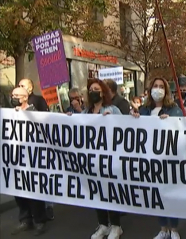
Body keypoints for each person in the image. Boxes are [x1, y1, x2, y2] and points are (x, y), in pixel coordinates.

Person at [68, 79, 122, 239]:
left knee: (111, 192)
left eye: (96, 89)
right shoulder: (86, 113)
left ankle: (116, 226)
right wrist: (70, 119)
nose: (93, 91)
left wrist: (112, 119)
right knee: (97, 192)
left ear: (103, 92)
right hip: (92, 161)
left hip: (109, 160)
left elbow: (125, 130)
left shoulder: (113, 109)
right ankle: (103, 224)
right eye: (91, 89)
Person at [132, 77, 182, 239]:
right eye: (155, 86)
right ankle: (163, 228)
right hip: (150, 161)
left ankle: (174, 229)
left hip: (168, 161)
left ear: (166, 91)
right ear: (150, 90)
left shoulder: (173, 109)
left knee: (171, 194)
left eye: (161, 86)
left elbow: (182, 128)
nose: (158, 89)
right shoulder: (145, 110)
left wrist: (172, 122)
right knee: (157, 195)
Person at [10, 87, 48, 236]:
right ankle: (25, 219)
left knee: (34, 191)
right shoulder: (9, 113)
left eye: (17, 95)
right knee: (18, 191)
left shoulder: (35, 113)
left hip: (33, 160)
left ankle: (39, 220)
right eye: (12, 95)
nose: (13, 97)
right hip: (15, 159)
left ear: (25, 98)